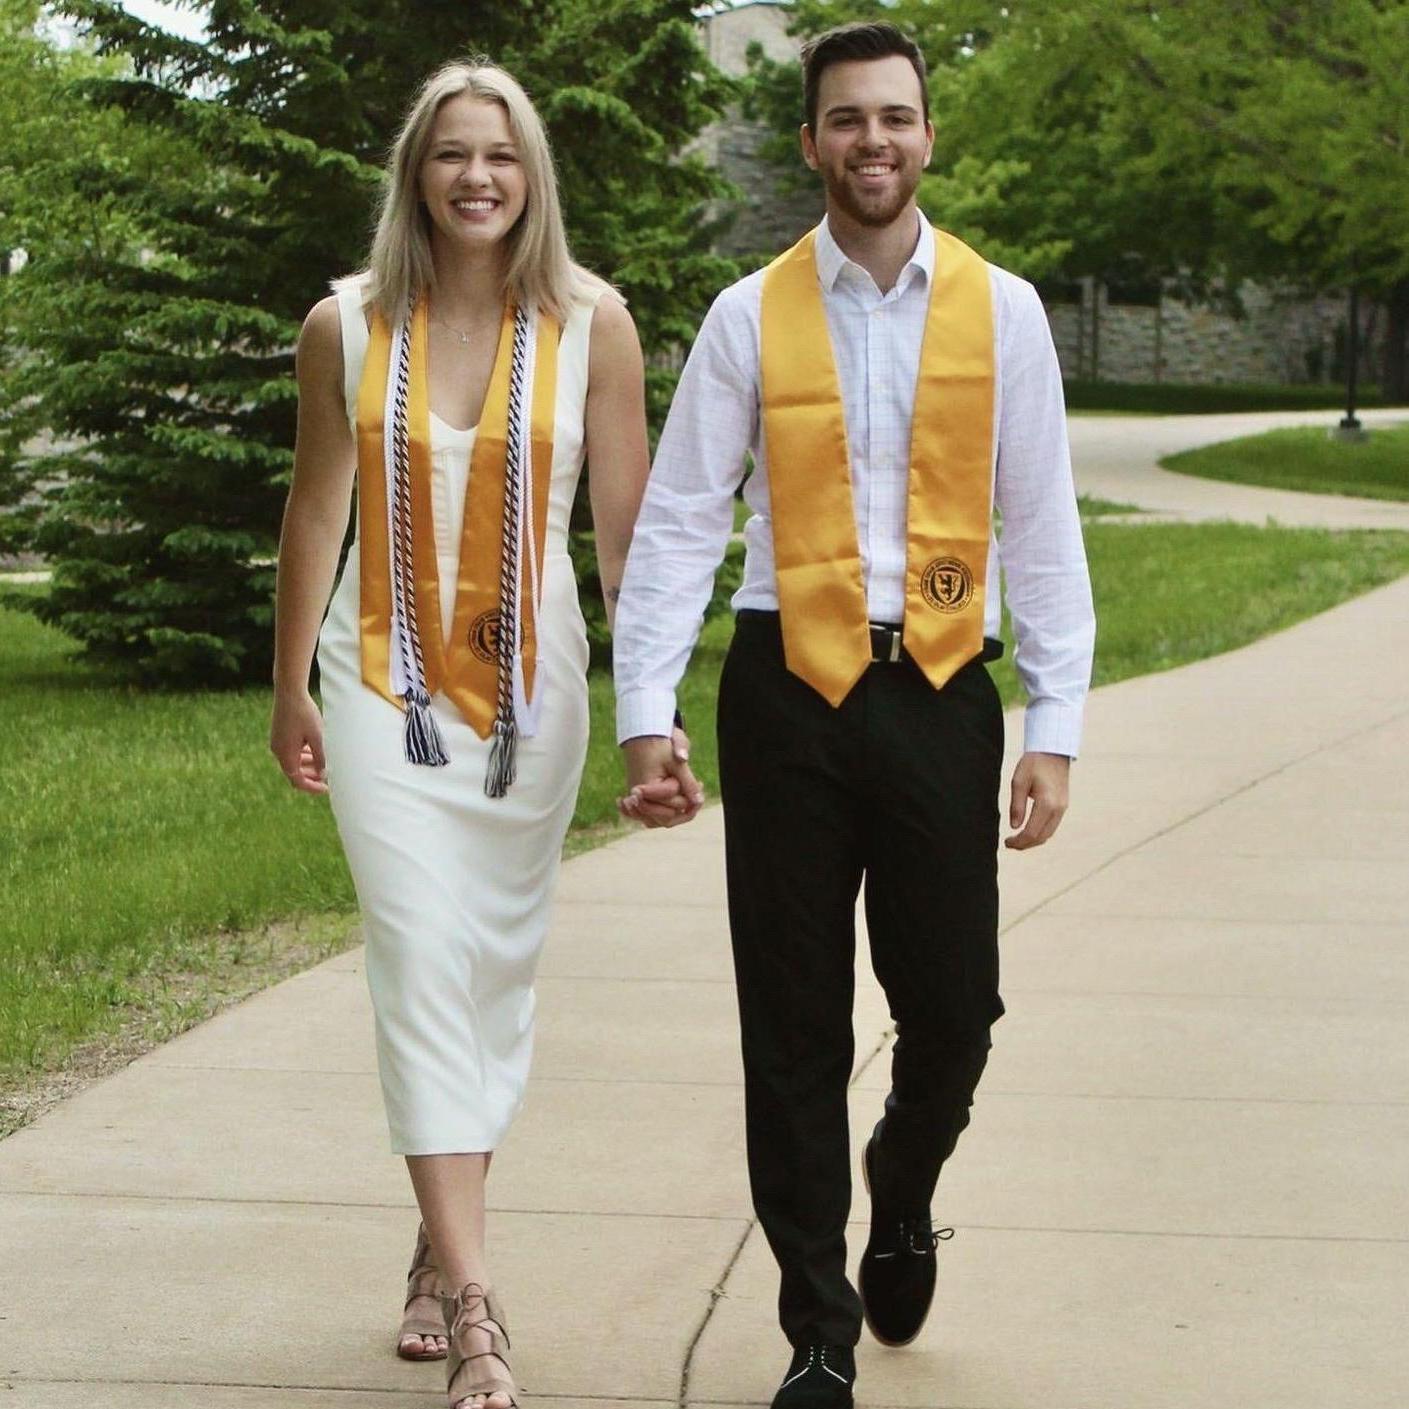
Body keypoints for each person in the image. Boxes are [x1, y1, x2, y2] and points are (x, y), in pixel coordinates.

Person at [612, 21, 1095, 1409]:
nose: (870, 142)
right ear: (813, 140)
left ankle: (906, 1175)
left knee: (952, 1009)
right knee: (793, 1022)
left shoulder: (998, 312)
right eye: (844, 121)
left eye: (894, 118)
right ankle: (817, 1330)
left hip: (941, 691)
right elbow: (683, 525)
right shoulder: (744, 315)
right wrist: (652, 707)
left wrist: (1051, 723)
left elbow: (1043, 526)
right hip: (786, 693)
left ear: (925, 135)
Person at [270, 59, 667, 1409]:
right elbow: (316, 514)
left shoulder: (590, 325)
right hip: (380, 691)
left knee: (490, 973)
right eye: (451, 154)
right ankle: (482, 1306)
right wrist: (286, 687)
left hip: (529, 706)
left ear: (532, 172)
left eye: (499, 154)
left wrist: (646, 719)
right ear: (415, 172)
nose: (476, 176)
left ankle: (438, 1247)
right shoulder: (345, 324)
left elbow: (628, 535)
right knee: (419, 951)